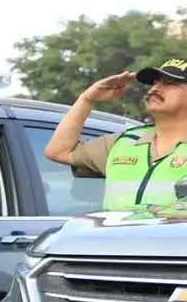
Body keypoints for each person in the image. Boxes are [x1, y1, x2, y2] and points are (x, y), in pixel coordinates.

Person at [43, 60, 187, 208]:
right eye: (154, 83)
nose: (154, 89)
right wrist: (87, 99)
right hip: (115, 232)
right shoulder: (124, 142)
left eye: (170, 83)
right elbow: (58, 151)